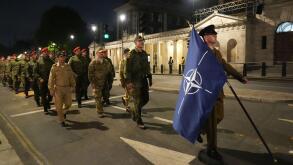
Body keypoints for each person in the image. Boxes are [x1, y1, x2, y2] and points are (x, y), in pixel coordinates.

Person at [198, 25, 248, 160]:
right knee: (213, 121)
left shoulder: (216, 52)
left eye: (215, 35)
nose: (215, 36)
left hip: (218, 90)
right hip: (208, 92)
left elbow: (225, 65)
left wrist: (239, 77)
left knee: (220, 116)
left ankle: (201, 129)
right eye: (212, 35)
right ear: (206, 37)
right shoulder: (201, 53)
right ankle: (211, 149)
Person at [125, 36, 152, 129]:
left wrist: (150, 77)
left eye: (142, 41)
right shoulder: (131, 54)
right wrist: (128, 82)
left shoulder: (145, 54)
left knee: (146, 99)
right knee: (137, 100)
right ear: (135, 43)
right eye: (139, 41)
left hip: (143, 80)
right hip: (135, 81)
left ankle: (133, 110)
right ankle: (139, 120)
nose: (141, 42)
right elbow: (127, 70)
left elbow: (148, 66)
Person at [48, 51, 75, 127]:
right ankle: (61, 120)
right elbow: (51, 79)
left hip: (67, 88)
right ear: (58, 58)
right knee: (58, 106)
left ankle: (64, 112)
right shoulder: (54, 67)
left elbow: (71, 77)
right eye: (61, 57)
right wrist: (51, 89)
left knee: (69, 103)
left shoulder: (68, 66)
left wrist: (73, 86)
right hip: (58, 89)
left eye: (64, 57)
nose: (62, 58)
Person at [88, 47, 112, 118]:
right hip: (96, 83)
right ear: (97, 53)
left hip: (105, 82)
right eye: (101, 52)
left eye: (103, 52)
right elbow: (90, 74)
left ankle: (100, 106)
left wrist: (110, 80)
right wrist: (93, 83)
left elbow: (109, 71)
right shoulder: (93, 62)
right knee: (98, 97)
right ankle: (100, 112)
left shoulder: (106, 61)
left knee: (106, 96)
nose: (102, 54)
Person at [35, 48, 55, 114]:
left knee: (50, 95)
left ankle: (47, 102)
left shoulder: (51, 61)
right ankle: (45, 108)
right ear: (42, 53)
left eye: (47, 52)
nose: (46, 53)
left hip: (50, 81)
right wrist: (40, 78)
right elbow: (35, 72)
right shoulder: (39, 61)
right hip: (42, 81)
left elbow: (54, 70)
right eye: (44, 52)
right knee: (43, 95)